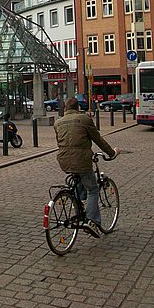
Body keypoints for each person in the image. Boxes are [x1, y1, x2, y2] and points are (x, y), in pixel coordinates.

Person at [53, 97, 120, 239]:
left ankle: (78, 206)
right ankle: (91, 221)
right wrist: (112, 153)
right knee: (93, 189)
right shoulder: (84, 119)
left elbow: (61, 142)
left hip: (64, 161)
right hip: (82, 160)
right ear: (77, 108)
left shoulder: (58, 122)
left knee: (79, 182)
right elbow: (98, 139)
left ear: (65, 108)